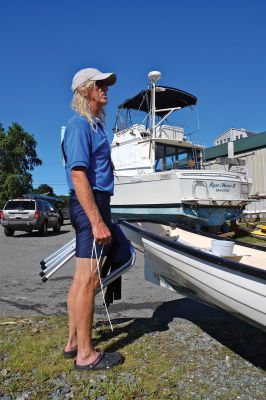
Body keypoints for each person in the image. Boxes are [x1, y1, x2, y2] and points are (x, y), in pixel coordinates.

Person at [62, 67, 132, 371]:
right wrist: (97, 220)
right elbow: (78, 175)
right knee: (90, 280)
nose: (105, 88)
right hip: (90, 202)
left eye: (105, 84)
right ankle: (86, 355)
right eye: (99, 84)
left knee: (81, 279)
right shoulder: (80, 125)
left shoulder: (93, 126)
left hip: (93, 202)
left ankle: (73, 342)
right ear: (84, 91)